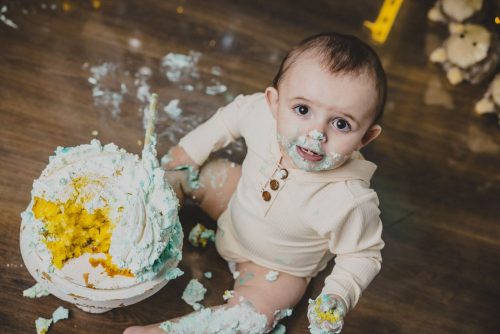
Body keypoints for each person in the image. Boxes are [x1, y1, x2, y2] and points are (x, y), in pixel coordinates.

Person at [124, 31, 386, 334]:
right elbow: (230, 118)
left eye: (341, 124)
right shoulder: (262, 115)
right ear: (274, 102)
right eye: (302, 110)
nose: (316, 133)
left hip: (276, 269)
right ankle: (144, 214)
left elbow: (362, 254)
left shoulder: (349, 200)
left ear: (365, 137)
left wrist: (339, 294)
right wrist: (188, 152)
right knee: (196, 173)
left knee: (253, 316)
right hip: (235, 204)